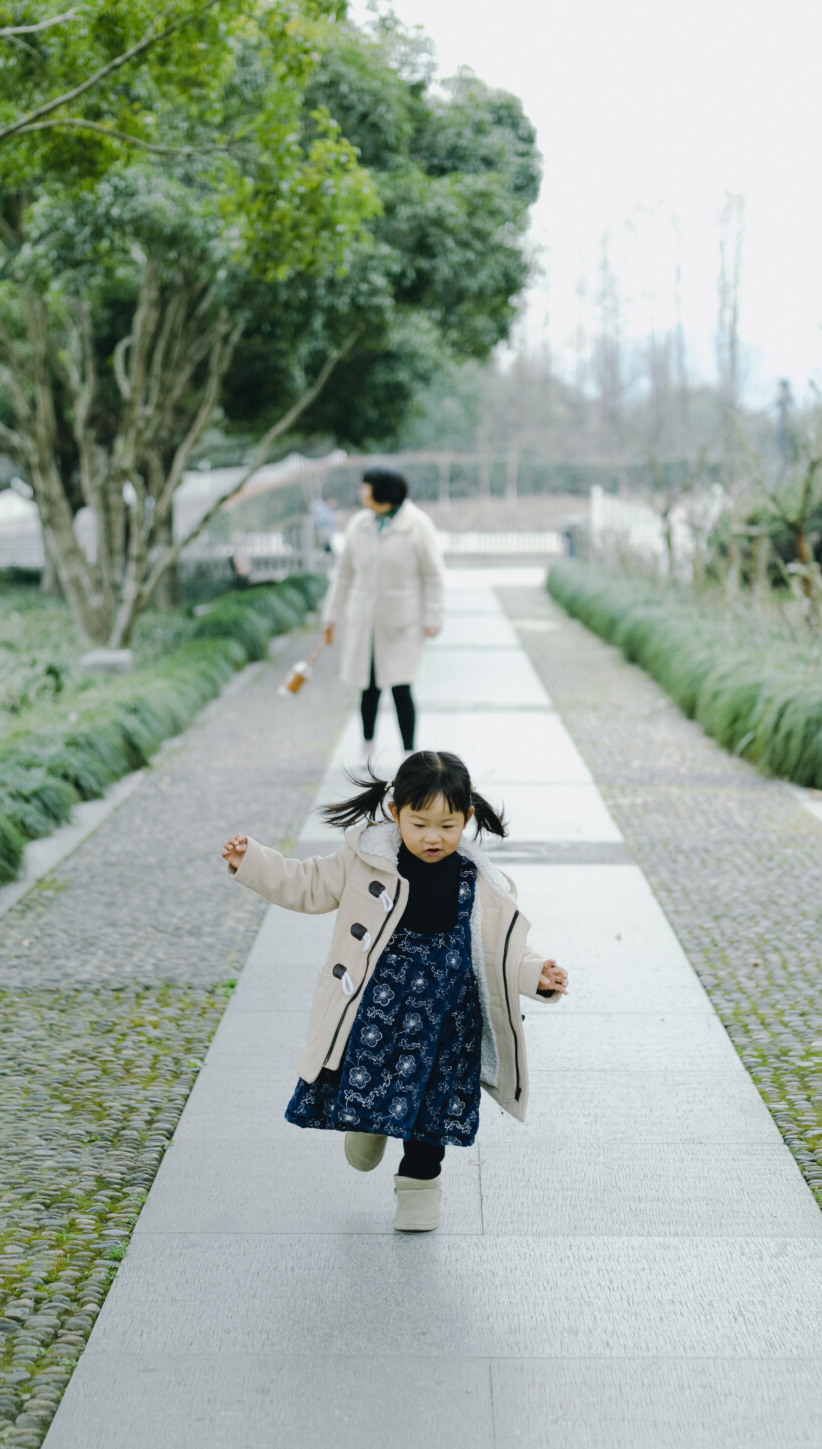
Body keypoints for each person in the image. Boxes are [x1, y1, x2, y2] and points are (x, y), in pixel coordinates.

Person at [221, 750, 568, 1233]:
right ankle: (367, 1124)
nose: (433, 837)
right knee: (371, 1087)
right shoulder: (368, 861)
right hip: (381, 1012)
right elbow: (308, 884)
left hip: (449, 1021)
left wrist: (537, 975)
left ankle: (420, 1186)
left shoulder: (480, 882)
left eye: (447, 826)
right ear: (395, 813)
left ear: (466, 818)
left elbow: (501, 953)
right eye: (420, 823)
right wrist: (253, 862)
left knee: (434, 1107)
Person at [321, 467, 444, 760]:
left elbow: (434, 575)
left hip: (403, 621)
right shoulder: (359, 525)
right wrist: (332, 616)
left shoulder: (417, 525)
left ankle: (409, 752)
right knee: (369, 687)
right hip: (366, 620)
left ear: (383, 493)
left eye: (367, 488)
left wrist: (433, 617)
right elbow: (344, 575)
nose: (362, 493)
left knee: (402, 687)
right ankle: (367, 746)